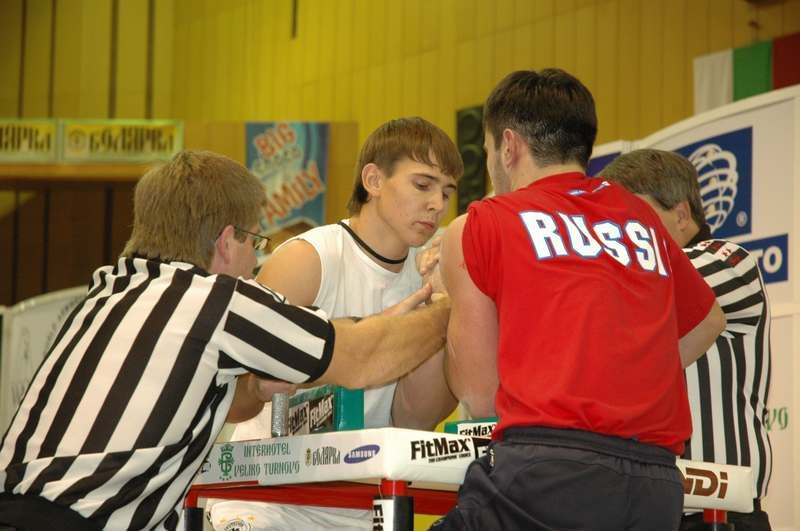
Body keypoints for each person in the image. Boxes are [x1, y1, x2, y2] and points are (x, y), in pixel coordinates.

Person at [0, 150, 450, 531]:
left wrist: (254, 388)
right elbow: (362, 360)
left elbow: (192, 400)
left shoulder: (110, 291)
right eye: (255, 241)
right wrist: (453, 304)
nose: (256, 261)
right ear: (228, 241)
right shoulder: (216, 300)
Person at [431, 69, 726, 530]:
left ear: (508, 146)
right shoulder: (639, 218)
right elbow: (708, 321)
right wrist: (625, 384)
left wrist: (442, 312)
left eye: (488, 152)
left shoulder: (482, 223)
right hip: (655, 484)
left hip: (546, 474)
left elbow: (479, 393)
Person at [208, 117, 463, 531]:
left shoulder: (430, 280)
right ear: (374, 179)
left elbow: (414, 420)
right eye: (423, 184)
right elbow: (232, 395)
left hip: (363, 506)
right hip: (267, 499)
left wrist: (449, 306)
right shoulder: (308, 258)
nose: (438, 203)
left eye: (447, 191)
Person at [600, 149, 772, 531]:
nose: (620, 232)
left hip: (720, 514)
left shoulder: (730, 261)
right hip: (647, 510)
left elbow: (643, 289)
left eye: (633, 216)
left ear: (680, 214)